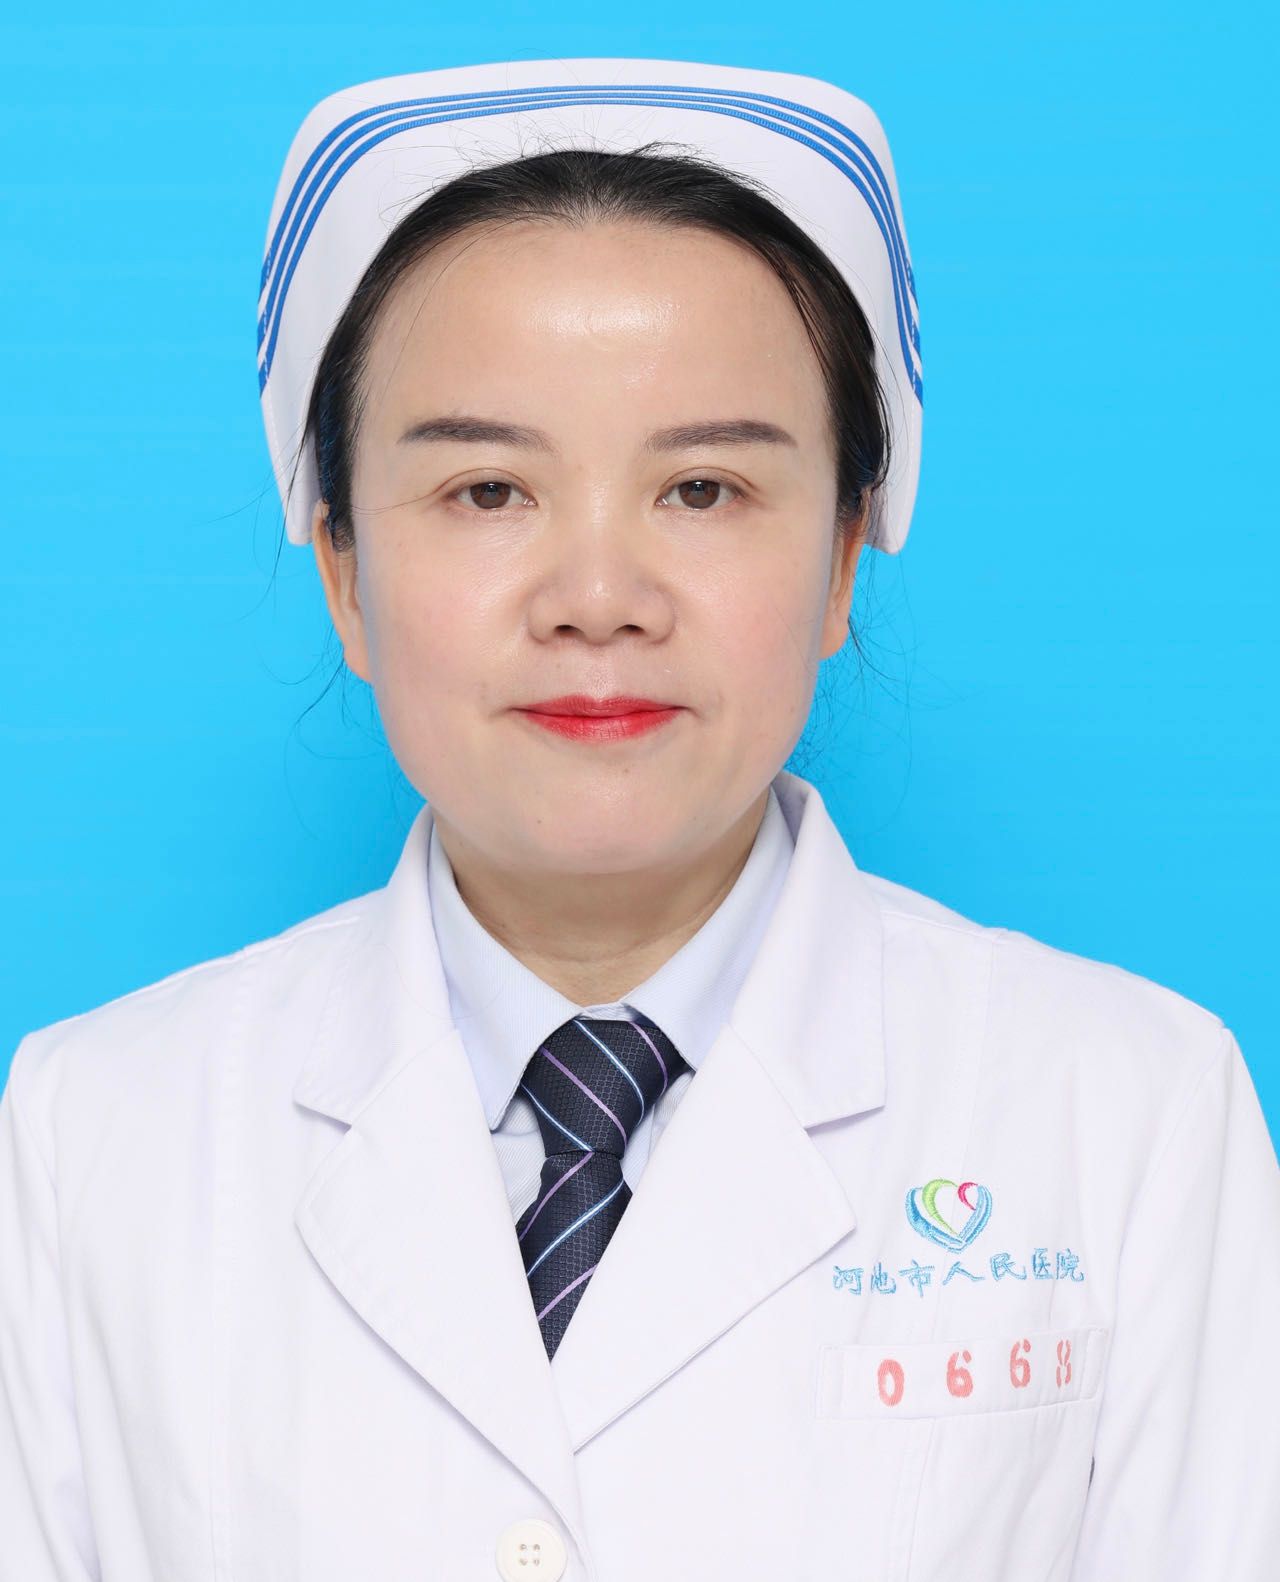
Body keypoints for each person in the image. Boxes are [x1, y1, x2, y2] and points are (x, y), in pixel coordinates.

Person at [1, 56, 1276, 1582]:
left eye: (704, 490)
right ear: (341, 568)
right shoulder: (93, 1136)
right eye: (488, 491)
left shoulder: (1132, 1115)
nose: (598, 599)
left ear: (844, 558)